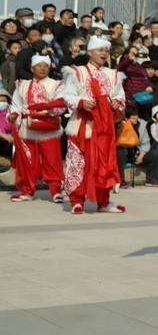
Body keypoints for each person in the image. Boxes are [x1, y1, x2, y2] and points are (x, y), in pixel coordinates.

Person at [60, 36, 126, 214]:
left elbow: (120, 96)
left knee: (104, 164)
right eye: (100, 50)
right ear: (90, 52)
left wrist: (117, 103)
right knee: (78, 163)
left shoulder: (112, 74)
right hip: (82, 125)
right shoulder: (77, 72)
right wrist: (81, 102)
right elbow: (66, 95)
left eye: (106, 50)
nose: (104, 53)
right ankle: (76, 200)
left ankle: (103, 201)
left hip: (104, 127)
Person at [8, 55, 65, 202]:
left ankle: (56, 190)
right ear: (31, 68)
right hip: (28, 127)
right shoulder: (22, 85)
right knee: (27, 159)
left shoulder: (56, 84)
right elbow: (16, 104)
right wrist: (14, 114)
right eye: (39, 66)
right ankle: (27, 190)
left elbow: (61, 105)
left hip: (48, 127)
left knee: (52, 159)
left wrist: (47, 111)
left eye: (45, 66)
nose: (42, 68)